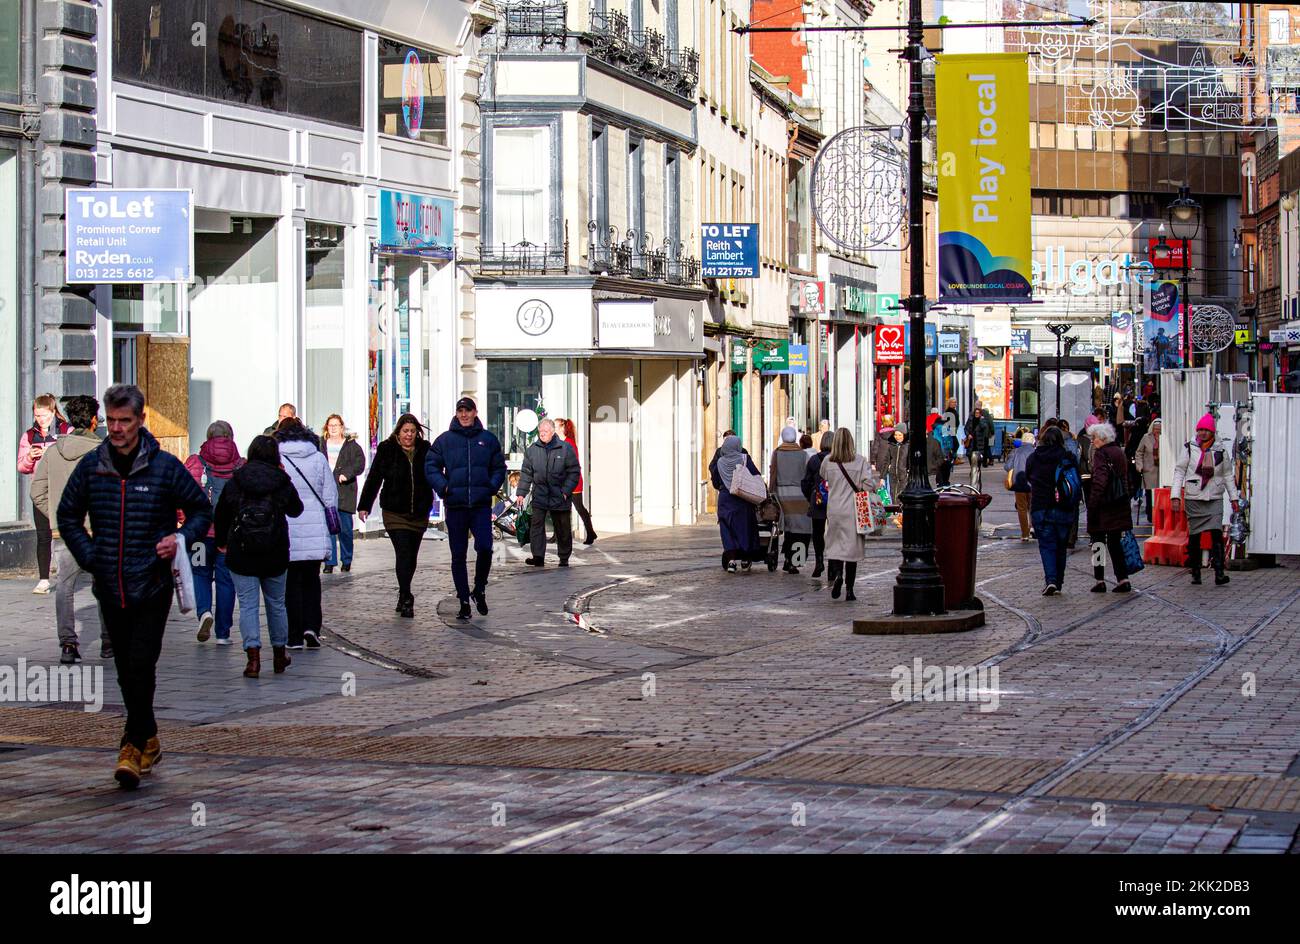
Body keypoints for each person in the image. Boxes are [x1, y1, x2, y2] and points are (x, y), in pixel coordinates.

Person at [56, 384, 211, 789]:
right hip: (109, 584)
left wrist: (178, 537)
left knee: (142, 662)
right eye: (112, 421)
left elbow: (200, 508)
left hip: (152, 583)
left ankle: (131, 745)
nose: (118, 429)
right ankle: (149, 736)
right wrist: (90, 556)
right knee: (126, 668)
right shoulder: (93, 466)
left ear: (141, 420)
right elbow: (67, 514)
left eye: (126, 421)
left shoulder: (163, 467)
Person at [214, 435, 303, 679]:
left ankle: (252, 659)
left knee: (248, 605)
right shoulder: (280, 479)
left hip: (242, 552)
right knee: (276, 604)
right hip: (274, 552)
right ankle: (278, 655)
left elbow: (221, 511)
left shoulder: (238, 478)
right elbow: (297, 509)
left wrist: (221, 541)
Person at [31, 395, 106, 664]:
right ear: (94, 420)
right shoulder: (103, 452)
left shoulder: (53, 451)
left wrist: (55, 515)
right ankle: (109, 641)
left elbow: (37, 491)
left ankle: (67, 644)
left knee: (64, 586)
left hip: (64, 531)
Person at [425, 398, 506, 620]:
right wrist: (444, 487)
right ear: (457, 413)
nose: (464, 414)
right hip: (456, 505)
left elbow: (499, 467)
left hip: (480, 505)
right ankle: (463, 599)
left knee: (485, 548)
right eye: (460, 411)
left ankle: (479, 588)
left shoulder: (487, 439)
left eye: (467, 410)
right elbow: (430, 465)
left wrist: (490, 486)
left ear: (474, 412)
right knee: (458, 555)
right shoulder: (446, 440)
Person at [359, 413, 433, 618]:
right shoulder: (387, 449)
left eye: (412, 431)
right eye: (405, 431)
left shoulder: (426, 449)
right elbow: (374, 477)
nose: (408, 435)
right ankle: (407, 596)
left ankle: (403, 592)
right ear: (398, 432)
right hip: (394, 511)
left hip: (419, 511)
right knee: (403, 552)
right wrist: (364, 505)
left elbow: (435, 473)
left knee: (412, 555)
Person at [274, 419, 337, 649]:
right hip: (314, 527)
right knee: (312, 581)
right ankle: (312, 628)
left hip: (287, 527)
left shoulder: (278, 458)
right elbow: (330, 494)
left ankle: (293, 635)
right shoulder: (318, 457)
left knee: (290, 584)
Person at [184, 421, 243, 645]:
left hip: (200, 534)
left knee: (200, 574)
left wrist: (185, 520)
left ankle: (204, 613)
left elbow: (181, 493)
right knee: (226, 581)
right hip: (228, 537)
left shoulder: (195, 462)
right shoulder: (240, 464)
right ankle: (223, 633)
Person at [1172, 413, 1239, 586]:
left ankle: (1219, 572)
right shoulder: (1189, 448)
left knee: (1216, 534)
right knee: (1195, 535)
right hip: (1194, 496)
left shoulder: (1220, 450)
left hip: (1214, 496)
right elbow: (1179, 471)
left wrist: (1234, 498)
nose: (1202, 433)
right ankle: (1196, 572)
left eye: (1205, 430)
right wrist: (1175, 495)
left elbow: (1227, 474)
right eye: (1200, 430)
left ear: (1212, 431)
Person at [18, 393, 70, 593]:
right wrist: (30, 456)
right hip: (41, 491)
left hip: (63, 489)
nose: (41, 420)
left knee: (66, 533)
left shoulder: (66, 430)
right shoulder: (30, 435)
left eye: (45, 415)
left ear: (53, 412)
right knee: (43, 535)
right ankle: (43, 579)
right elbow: (21, 466)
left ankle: (69, 574)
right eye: (37, 415)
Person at [516, 418, 580, 568]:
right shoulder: (532, 450)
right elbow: (526, 473)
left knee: (562, 527)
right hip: (540, 494)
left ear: (552, 432)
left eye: (545, 432)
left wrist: (565, 491)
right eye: (540, 432)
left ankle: (564, 557)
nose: (542, 434)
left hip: (559, 494)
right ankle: (538, 556)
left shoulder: (565, 449)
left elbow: (574, 472)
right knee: (536, 526)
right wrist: (521, 493)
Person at [1023, 426, 1080, 596]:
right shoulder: (1067, 457)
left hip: (1041, 507)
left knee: (1047, 545)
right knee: (1061, 546)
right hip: (1064, 507)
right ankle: (1059, 581)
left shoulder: (1034, 458)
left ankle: (1051, 580)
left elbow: (1028, 478)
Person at [821, 427, 873, 601]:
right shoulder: (860, 461)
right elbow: (868, 485)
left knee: (835, 547)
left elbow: (823, 477)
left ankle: (837, 575)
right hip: (853, 510)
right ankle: (850, 590)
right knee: (852, 551)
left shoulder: (828, 461)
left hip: (834, 509)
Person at [1085, 422, 1133, 593]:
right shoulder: (1119, 452)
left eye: (1095, 438)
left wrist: (1093, 502)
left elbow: (1100, 480)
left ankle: (1099, 580)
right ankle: (1123, 578)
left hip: (1103, 505)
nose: (1092, 441)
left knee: (1098, 543)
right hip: (1119, 502)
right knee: (1115, 543)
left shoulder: (1101, 454)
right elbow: (1126, 478)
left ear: (1103, 438)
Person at [709, 434, 762, 572]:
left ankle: (731, 561)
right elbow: (755, 474)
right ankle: (745, 558)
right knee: (744, 528)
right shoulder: (744, 459)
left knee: (727, 529)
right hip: (742, 498)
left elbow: (715, 481)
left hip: (725, 499)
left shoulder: (719, 462)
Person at [321, 414, 365, 574]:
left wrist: (347, 474)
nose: (333, 428)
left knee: (345, 529)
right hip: (326, 492)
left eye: (336, 425)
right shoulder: (321, 445)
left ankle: (346, 560)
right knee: (328, 528)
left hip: (345, 491)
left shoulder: (351, 446)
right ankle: (329, 562)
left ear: (341, 427)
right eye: (330, 425)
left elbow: (360, 463)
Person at [769, 426, 813, 574]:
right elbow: (807, 476)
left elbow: (773, 473)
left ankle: (788, 558)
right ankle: (795, 561)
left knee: (788, 529)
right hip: (800, 496)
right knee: (800, 530)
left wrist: (771, 493)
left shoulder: (777, 453)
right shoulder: (803, 454)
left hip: (782, 494)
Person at [801, 431, 833, 578]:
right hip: (834, 500)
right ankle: (833, 565)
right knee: (834, 534)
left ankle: (819, 561)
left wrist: (811, 497)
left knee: (817, 533)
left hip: (818, 500)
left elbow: (806, 482)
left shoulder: (814, 460)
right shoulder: (837, 460)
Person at [558, 417, 596, 545]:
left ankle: (590, 532)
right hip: (563, 481)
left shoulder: (569, 443)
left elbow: (571, 464)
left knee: (579, 507)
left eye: (556, 425)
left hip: (573, 481)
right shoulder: (559, 442)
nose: (554, 428)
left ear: (562, 427)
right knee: (560, 508)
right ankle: (557, 535)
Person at [1003, 430, 1036, 541]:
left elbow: (1007, 467)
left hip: (1019, 482)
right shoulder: (1035, 452)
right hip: (1033, 484)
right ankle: (1033, 527)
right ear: (1033, 441)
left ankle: (1024, 534)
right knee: (1033, 507)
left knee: (1021, 508)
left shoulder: (1015, 452)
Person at [1133, 417, 1161, 525]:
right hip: (1149, 470)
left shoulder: (1164, 438)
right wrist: (1139, 465)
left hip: (1161, 470)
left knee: (1159, 494)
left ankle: (1158, 514)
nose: (1157, 431)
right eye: (1156, 429)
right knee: (1150, 494)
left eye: (1159, 429)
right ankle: (1151, 515)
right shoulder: (1146, 438)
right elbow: (1139, 452)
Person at [881, 422, 909, 502]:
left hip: (903, 475)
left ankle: (901, 512)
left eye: (900, 435)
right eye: (896, 434)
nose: (897, 437)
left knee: (902, 495)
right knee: (893, 494)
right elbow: (886, 461)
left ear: (904, 434)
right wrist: (882, 477)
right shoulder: (891, 445)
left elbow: (910, 460)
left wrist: (908, 471)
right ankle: (895, 512)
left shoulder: (908, 445)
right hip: (892, 474)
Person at [964, 406, 995, 477]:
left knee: (978, 457)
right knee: (969, 456)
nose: (977, 414)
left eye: (978, 413)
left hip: (979, 442)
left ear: (980, 414)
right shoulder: (970, 420)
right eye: (976, 413)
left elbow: (985, 428)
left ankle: (977, 469)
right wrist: (968, 434)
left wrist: (981, 420)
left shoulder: (983, 420)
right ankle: (972, 469)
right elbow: (966, 428)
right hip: (971, 442)